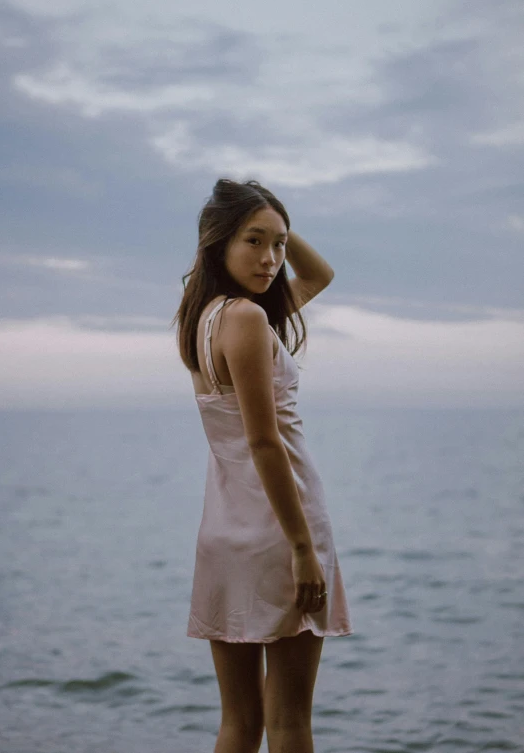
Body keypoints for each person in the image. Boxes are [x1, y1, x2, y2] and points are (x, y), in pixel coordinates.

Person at [172, 178, 352, 753]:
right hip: (280, 530)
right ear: (217, 242)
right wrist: (303, 548)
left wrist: (274, 216)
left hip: (225, 532)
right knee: (291, 722)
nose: (271, 258)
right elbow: (264, 442)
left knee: (238, 723)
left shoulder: (203, 317)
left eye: (278, 243)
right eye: (254, 240)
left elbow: (319, 276)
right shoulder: (248, 320)